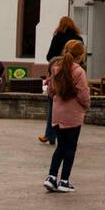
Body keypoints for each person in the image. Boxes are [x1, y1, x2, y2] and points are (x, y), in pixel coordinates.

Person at [44, 39, 91, 193]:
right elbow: (83, 94)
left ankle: (51, 177)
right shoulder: (79, 71)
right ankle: (64, 180)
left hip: (57, 113)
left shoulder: (56, 69)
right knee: (70, 147)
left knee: (60, 147)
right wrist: (86, 106)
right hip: (73, 114)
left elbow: (50, 91)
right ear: (81, 55)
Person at [39, 16, 81, 145]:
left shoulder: (58, 37)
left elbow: (49, 56)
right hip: (74, 74)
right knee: (72, 105)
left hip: (58, 74)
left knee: (53, 103)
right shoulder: (79, 39)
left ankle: (50, 135)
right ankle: (69, 135)